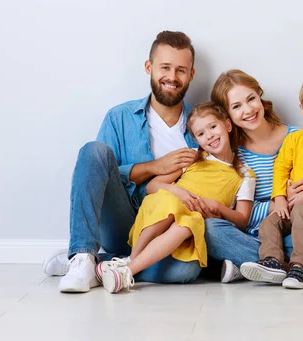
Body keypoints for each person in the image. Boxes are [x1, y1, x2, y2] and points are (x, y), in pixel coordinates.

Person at [42, 31, 207, 293]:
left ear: (191, 74)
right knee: (94, 151)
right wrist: (156, 167)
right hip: (122, 222)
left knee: (186, 270)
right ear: (148, 67)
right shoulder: (119, 117)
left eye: (181, 70)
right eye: (165, 67)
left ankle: (100, 267)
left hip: (164, 232)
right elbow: (98, 175)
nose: (172, 78)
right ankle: (83, 255)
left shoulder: (203, 126)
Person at [206, 70, 303, 284]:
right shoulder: (229, 151)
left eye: (251, 99)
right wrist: (279, 198)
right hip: (248, 234)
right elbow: (232, 205)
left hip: (291, 231)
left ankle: (251, 266)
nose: (247, 110)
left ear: (260, 96)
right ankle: (298, 268)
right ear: (227, 116)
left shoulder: (298, 138)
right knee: (210, 229)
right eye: (236, 106)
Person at [98, 102, 255, 293]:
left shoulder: (245, 175)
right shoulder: (194, 158)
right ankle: (132, 259)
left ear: (228, 126)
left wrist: (218, 208)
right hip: (163, 206)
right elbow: (152, 187)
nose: (210, 136)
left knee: (190, 224)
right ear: (196, 140)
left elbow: (242, 220)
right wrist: (179, 192)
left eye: (213, 127)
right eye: (201, 134)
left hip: (192, 219)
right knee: (171, 203)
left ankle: (126, 271)